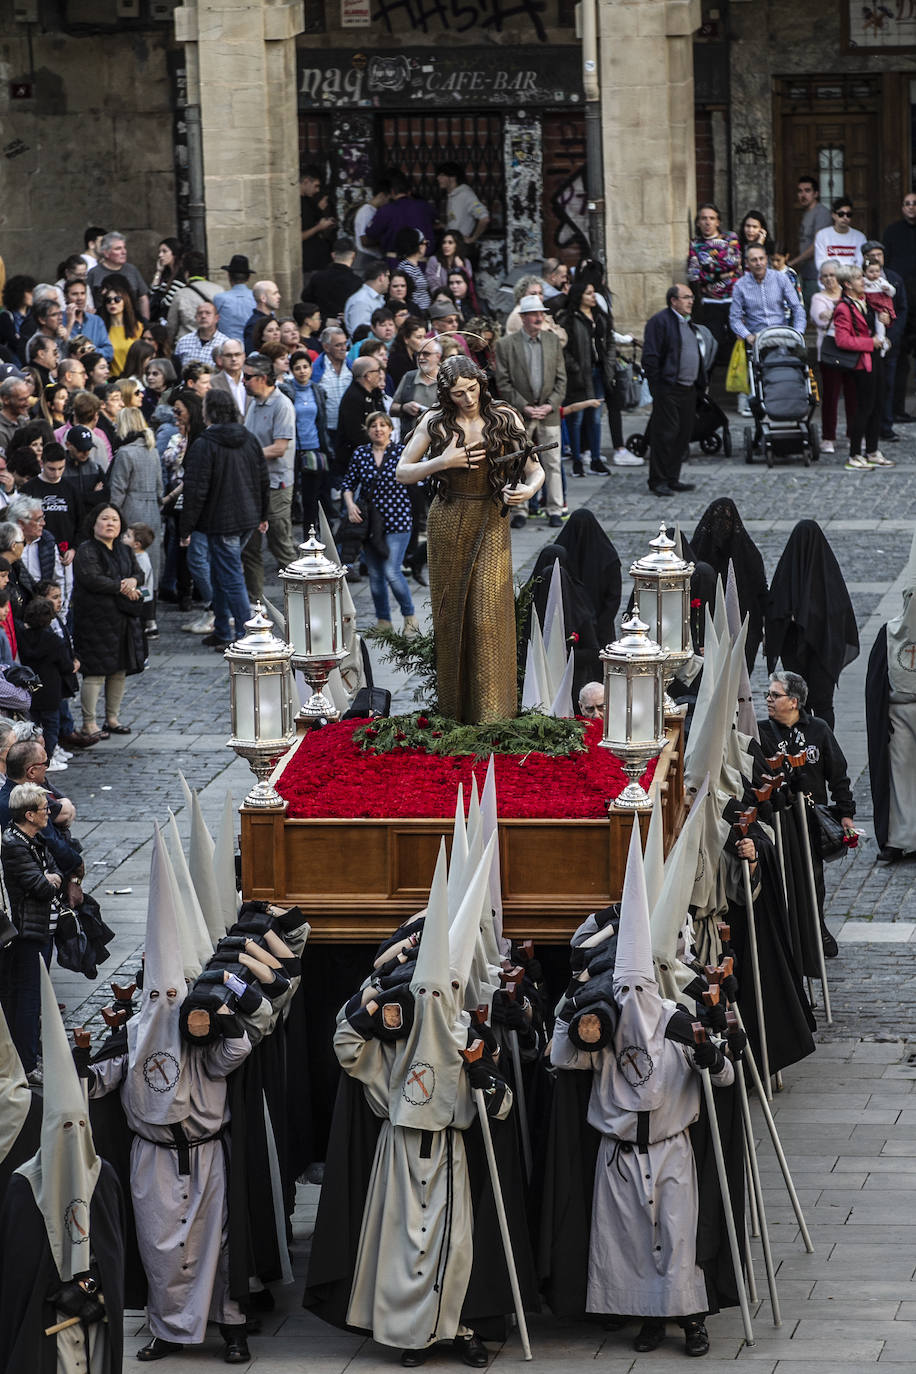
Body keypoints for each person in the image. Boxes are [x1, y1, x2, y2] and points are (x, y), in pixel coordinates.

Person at [550, 822, 735, 1360]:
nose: (632, 998)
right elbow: (563, 1058)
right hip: (619, 1152)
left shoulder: (677, 1022)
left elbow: (724, 1075)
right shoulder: (603, 1029)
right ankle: (646, 1319)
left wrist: (709, 1055)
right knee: (628, 1241)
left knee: (677, 1236)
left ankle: (690, 1319)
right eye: (623, 988)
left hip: (671, 1148)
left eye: (640, 987)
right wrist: (571, 1008)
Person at [397, 356, 542, 722]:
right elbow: (403, 472)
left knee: (487, 615)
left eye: (472, 389)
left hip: (492, 518)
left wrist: (527, 491)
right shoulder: (435, 421)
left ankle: (495, 714)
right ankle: (456, 712)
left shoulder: (504, 417)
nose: (468, 398)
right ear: (446, 394)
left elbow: (535, 468)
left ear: (482, 384)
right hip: (448, 519)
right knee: (452, 617)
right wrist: (441, 462)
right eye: (458, 393)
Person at [0, 963, 125, 1374]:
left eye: (80, 1127)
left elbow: (113, 1251)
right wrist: (55, 1292)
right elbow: (18, 1270)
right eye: (64, 1128)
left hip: (94, 1321)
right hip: (45, 1328)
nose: (73, 1137)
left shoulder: (103, 1177)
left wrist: (90, 1287)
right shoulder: (24, 1186)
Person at [758, 669, 855, 957]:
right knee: (781, 876)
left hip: (811, 818)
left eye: (775, 695)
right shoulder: (761, 731)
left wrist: (846, 814)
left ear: (794, 701)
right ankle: (788, 933)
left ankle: (816, 928)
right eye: (768, 694)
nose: (768, 699)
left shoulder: (818, 730)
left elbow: (838, 774)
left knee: (814, 878)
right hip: (777, 817)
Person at [180, 387, 267, 651]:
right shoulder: (249, 438)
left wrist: (186, 527)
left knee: (230, 576)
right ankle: (221, 629)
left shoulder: (205, 444)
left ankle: (244, 633)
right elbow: (263, 478)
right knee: (221, 572)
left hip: (222, 521)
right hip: (247, 517)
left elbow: (195, 489)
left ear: (209, 411)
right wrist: (262, 513)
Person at [765, 520, 858, 730]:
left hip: (816, 650)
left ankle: (819, 743)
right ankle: (814, 743)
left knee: (809, 702)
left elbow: (774, 610)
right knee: (809, 702)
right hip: (818, 649)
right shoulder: (828, 576)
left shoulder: (789, 575)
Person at [0, 781, 62, 1077]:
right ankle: (26, 1063)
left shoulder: (33, 840)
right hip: (26, 933)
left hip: (40, 929)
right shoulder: (14, 845)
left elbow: (55, 870)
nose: (48, 812)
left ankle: (30, 1055)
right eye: (43, 808)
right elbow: (42, 887)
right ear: (29, 815)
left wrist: (51, 877)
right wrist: (48, 879)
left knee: (33, 997)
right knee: (27, 999)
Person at [71, 503, 144, 742]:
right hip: (95, 621)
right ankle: (89, 723)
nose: (110, 523)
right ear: (94, 523)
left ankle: (112, 718)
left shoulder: (125, 550)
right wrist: (122, 587)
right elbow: (91, 579)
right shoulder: (87, 549)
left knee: (119, 670)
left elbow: (139, 573)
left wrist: (133, 581)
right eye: (104, 518)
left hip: (123, 620)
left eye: (114, 519)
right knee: (95, 672)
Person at [493, 296, 566, 529]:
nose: (539, 317)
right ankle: (520, 509)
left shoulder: (552, 341)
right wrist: (523, 406)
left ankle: (555, 508)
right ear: (523, 317)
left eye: (541, 313)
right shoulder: (505, 344)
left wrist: (550, 404)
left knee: (553, 462)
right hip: (520, 414)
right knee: (520, 462)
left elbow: (561, 379)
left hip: (548, 412)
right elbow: (503, 382)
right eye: (534, 313)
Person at [866, 527, 916, 863]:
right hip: (899, 715)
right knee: (900, 779)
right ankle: (900, 837)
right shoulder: (889, 634)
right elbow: (876, 685)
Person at [343, 412, 416, 633]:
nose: (378, 429)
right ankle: (384, 621)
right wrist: (350, 505)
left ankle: (410, 618)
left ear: (391, 429)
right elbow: (348, 484)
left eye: (383, 425)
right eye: (373, 425)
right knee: (375, 575)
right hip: (370, 523)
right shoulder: (361, 453)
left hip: (398, 519)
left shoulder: (402, 452)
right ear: (367, 430)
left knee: (391, 571)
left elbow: (418, 478)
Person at [240, 353, 298, 601]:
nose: (243, 381)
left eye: (247, 376)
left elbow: (279, 448)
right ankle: (256, 603)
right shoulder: (254, 403)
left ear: (263, 378)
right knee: (250, 547)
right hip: (253, 484)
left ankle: (301, 599)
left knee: (280, 543)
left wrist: (245, 455)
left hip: (276, 484)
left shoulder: (282, 405)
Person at [642, 285, 705, 497]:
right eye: (686, 297)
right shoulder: (660, 321)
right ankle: (658, 480)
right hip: (668, 388)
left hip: (688, 389)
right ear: (673, 301)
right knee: (665, 435)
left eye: (692, 297)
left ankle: (672, 478)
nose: (691, 301)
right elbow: (650, 357)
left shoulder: (687, 322)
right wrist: (659, 387)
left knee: (682, 435)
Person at [691, 498, 767, 667]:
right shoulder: (699, 551)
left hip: (744, 631)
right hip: (707, 633)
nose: (722, 525)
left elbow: (760, 591)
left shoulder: (748, 554)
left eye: (727, 520)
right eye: (719, 520)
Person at [832, 263, 891, 470]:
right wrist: (870, 343)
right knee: (864, 407)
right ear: (848, 284)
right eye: (858, 278)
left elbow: (881, 320)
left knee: (878, 405)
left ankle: (872, 451)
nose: (863, 281)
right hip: (861, 362)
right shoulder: (843, 308)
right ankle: (854, 454)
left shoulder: (867, 300)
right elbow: (842, 340)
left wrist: (886, 319)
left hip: (875, 358)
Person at [558, 280, 614, 477]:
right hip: (578, 376)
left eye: (593, 292)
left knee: (596, 418)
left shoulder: (600, 316)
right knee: (577, 419)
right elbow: (563, 348)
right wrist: (574, 368)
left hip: (598, 372)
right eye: (589, 293)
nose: (593, 296)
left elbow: (609, 341)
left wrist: (609, 365)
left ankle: (596, 459)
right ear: (579, 295)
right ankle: (577, 460)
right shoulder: (568, 318)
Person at [554, 507, 622, 648]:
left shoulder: (562, 554)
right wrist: (600, 625)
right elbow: (613, 597)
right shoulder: (608, 557)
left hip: (571, 626)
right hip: (599, 628)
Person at [686, 202, 742, 371]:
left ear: (718, 221)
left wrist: (708, 270)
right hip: (711, 303)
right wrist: (725, 274)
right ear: (698, 222)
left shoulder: (730, 238)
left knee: (737, 343)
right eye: (703, 218)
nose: (707, 222)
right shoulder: (695, 244)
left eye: (712, 218)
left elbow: (733, 262)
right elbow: (694, 274)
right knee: (713, 343)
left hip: (734, 300)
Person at [18, 597, 75, 763]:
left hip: (31, 686)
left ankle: (35, 756)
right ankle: (47, 757)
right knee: (51, 725)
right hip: (50, 688)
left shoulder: (22, 637)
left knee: (33, 725)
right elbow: (66, 666)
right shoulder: (54, 641)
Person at [282, 349, 332, 535]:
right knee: (291, 495)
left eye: (305, 367)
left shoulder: (317, 390)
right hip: (292, 449)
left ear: (311, 368)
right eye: (297, 368)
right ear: (292, 371)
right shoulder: (286, 391)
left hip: (314, 448)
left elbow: (322, 421)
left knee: (312, 497)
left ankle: (310, 536)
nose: (302, 371)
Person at [809, 260, 855, 456]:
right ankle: (828, 437)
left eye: (832, 275)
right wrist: (843, 314)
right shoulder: (818, 297)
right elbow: (819, 319)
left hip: (851, 351)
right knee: (830, 397)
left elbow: (857, 320)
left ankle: (854, 435)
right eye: (825, 276)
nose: (829, 279)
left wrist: (834, 314)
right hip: (829, 353)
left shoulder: (850, 295)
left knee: (854, 396)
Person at [108, 409, 163, 564]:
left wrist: (111, 516)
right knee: (150, 561)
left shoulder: (124, 453)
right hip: (153, 512)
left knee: (129, 559)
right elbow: (160, 488)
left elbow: (118, 491)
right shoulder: (153, 451)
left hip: (130, 511)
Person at [728, 244, 806, 345]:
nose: (758, 263)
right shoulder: (740, 285)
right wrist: (747, 335)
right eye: (754, 260)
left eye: (761, 259)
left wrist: (798, 332)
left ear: (766, 259)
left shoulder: (781, 278)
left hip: (782, 336)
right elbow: (734, 318)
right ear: (747, 262)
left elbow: (797, 308)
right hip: (756, 339)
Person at [334, 354, 387, 476]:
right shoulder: (353, 398)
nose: (380, 375)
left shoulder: (375, 394)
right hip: (355, 462)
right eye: (377, 371)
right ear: (367, 376)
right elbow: (356, 434)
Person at [365, 171, 436, 261]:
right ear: (409, 192)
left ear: (392, 192)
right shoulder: (425, 207)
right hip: (421, 262)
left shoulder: (387, 210)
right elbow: (437, 225)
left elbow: (371, 232)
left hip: (395, 262)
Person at [788, 176, 833, 309]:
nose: (803, 195)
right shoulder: (806, 213)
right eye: (800, 191)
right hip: (806, 273)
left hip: (817, 274)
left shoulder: (821, 213)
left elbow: (816, 246)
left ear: (816, 193)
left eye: (807, 191)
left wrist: (792, 263)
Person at [87, 232, 150, 320]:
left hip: (131, 323)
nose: (124, 252)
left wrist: (145, 322)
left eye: (124, 247)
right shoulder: (94, 273)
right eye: (118, 249)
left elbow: (143, 298)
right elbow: (87, 301)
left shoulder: (132, 270)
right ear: (106, 253)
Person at [436, 162, 490, 255]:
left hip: (461, 248)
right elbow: (457, 222)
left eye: (442, 175)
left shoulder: (465, 194)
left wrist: (473, 238)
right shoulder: (453, 195)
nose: (438, 178)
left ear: (453, 177)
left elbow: (484, 218)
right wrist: (444, 226)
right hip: (453, 247)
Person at [96, 278, 143, 379]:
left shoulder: (137, 327)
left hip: (133, 379)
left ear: (125, 301)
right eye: (108, 300)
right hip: (111, 380)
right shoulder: (101, 329)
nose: (112, 303)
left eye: (117, 299)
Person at [308, 237, 362, 320]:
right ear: (353, 255)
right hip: (345, 323)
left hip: (321, 322)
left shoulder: (317, 277)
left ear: (333, 255)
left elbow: (307, 299)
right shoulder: (357, 282)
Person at [312, 327, 351, 443]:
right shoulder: (316, 371)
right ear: (326, 347)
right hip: (327, 430)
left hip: (349, 428)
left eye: (345, 343)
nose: (344, 348)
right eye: (338, 345)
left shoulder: (352, 367)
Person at [300, 163, 337, 276]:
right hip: (309, 264)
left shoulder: (308, 201)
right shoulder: (297, 203)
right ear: (306, 182)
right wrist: (319, 227)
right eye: (316, 186)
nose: (317, 190)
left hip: (320, 261)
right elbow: (298, 236)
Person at [63, 277, 112, 359]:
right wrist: (70, 323)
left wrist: (88, 351)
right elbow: (60, 352)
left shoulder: (96, 321)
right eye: (74, 294)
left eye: (82, 293)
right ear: (66, 297)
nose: (80, 298)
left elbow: (109, 352)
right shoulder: (59, 320)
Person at [173, 300, 229, 368]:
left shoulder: (225, 344)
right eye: (200, 313)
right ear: (196, 317)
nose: (203, 316)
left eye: (208, 313)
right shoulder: (183, 342)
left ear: (216, 318)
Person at [212, 254, 256, 342]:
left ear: (229, 276)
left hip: (227, 345)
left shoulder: (219, 298)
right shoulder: (257, 297)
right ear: (249, 278)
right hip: (252, 345)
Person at [814, 198, 866, 271]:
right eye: (841, 214)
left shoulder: (860, 237)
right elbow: (820, 264)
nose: (845, 218)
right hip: (829, 276)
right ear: (833, 215)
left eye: (848, 215)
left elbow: (860, 264)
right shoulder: (822, 235)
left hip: (852, 276)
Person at [344, 261, 391, 338]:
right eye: (388, 276)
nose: (389, 282)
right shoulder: (361, 301)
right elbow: (361, 335)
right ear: (382, 277)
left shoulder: (376, 298)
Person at [209, 338, 247, 417]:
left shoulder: (253, 380)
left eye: (237, 354)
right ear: (220, 359)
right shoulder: (212, 383)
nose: (234, 359)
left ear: (244, 356)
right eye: (228, 355)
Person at [243, 280, 281, 354]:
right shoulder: (254, 324)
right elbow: (251, 353)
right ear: (263, 298)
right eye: (274, 293)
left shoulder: (272, 319)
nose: (279, 296)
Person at [0, 375, 31, 456]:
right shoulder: (1, 431)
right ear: (6, 399)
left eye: (28, 398)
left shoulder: (23, 420)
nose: (27, 404)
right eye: (22, 399)